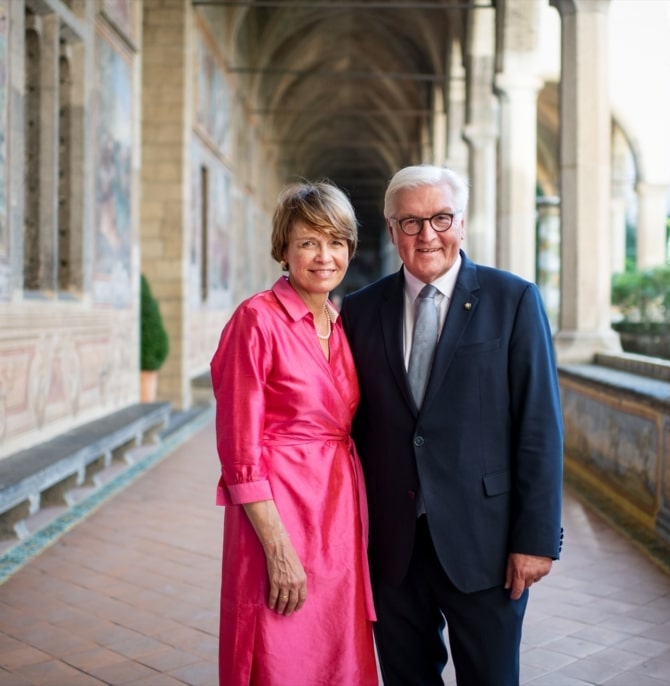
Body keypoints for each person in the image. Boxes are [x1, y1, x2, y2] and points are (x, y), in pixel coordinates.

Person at [341, 164, 564, 686]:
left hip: (485, 544)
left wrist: (535, 539)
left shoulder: (513, 300)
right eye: (411, 222)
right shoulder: (359, 310)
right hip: (392, 546)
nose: (427, 235)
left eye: (441, 218)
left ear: (461, 223)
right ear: (392, 230)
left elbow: (539, 426)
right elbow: (351, 427)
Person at [210, 180, 378, 686]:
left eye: (336, 242)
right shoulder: (256, 320)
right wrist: (277, 548)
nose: (324, 256)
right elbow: (239, 452)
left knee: (335, 651)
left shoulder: (341, 324)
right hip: (278, 515)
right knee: (277, 650)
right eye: (308, 242)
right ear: (283, 250)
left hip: (337, 515)